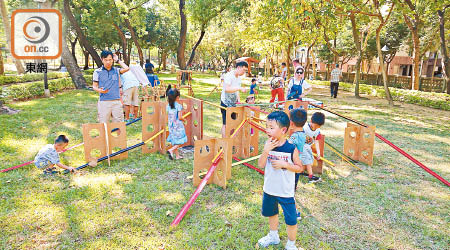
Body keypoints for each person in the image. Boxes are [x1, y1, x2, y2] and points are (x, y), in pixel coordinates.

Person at [257, 111, 304, 250]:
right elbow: (260, 164)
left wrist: (285, 165)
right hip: (270, 189)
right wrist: (266, 151)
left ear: (283, 130)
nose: (267, 130)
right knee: (272, 213)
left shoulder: (291, 148)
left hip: (285, 192)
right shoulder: (268, 144)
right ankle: (273, 236)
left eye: (271, 127)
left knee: (291, 220)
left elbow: (300, 168)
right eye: (267, 126)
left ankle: (291, 244)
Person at [92, 50, 129, 123]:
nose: (108, 62)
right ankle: (105, 135)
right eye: (106, 60)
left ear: (113, 60)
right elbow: (94, 86)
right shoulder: (97, 72)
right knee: (103, 123)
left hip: (117, 101)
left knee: (119, 124)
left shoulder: (116, 70)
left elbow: (127, 68)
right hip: (104, 102)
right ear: (102, 60)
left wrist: (118, 60)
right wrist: (100, 90)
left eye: (110, 60)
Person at [288, 109, 321, 185]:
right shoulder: (304, 134)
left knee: (292, 182)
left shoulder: (295, 136)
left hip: (294, 163)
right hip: (298, 163)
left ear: (291, 123)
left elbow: (289, 146)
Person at [220, 61, 248, 138]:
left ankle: (230, 141)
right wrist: (239, 88)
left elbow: (236, 91)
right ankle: (225, 142)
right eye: (243, 70)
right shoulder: (229, 75)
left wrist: (238, 101)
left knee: (233, 123)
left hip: (233, 104)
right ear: (238, 67)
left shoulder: (239, 78)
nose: (244, 72)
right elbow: (227, 89)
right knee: (225, 124)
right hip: (225, 103)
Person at [302, 112, 326, 183]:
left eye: (318, 126)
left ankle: (300, 171)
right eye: (315, 126)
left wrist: (318, 153)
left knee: (310, 161)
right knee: (308, 161)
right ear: (311, 121)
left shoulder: (317, 131)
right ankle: (311, 177)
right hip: (301, 147)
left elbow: (316, 141)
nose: (316, 128)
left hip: (308, 147)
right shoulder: (305, 128)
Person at [166, 88, 188, 160]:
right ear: (177, 97)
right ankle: (171, 150)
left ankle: (177, 156)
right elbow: (180, 117)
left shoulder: (168, 106)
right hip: (178, 126)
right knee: (181, 140)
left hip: (171, 126)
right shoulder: (178, 106)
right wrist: (184, 120)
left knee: (175, 140)